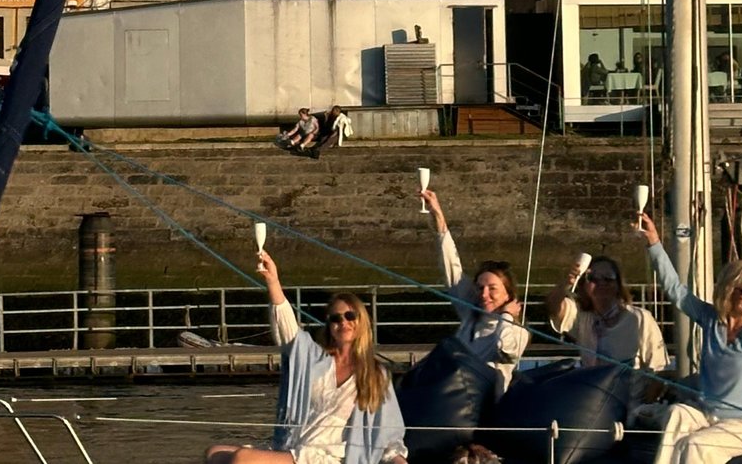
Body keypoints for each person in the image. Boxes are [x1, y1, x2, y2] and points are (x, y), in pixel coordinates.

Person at [205, 249, 407, 464]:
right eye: (336, 318)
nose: (343, 323)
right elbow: (289, 332)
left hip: (330, 455)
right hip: (295, 446)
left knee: (242, 458)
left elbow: (389, 433)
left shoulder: (376, 374)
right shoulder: (313, 359)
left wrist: (398, 461)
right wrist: (273, 282)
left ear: (361, 321)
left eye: (350, 316)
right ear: (329, 325)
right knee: (214, 453)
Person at [639, 213, 742, 464]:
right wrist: (654, 243)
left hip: (740, 426)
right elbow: (676, 290)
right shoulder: (711, 319)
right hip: (705, 414)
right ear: (729, 291)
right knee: (676, 413)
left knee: (694, 445)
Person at [419, 188, 529, 396]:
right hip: (453, 398)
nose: (484, 294)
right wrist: (437, 214)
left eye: (492, 289)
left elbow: (505, 349)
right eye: (480, 288)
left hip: (486, 407)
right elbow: (451, 268)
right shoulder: (470, 313)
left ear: (508, 294)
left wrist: (506, 315)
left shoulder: (519, 332)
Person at [545, 255, 669, 421]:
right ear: (584, 284)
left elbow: (659, 373)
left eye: (608, 278)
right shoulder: (582, 318)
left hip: (631, 410)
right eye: (593, 278)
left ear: (618, 284)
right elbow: (553, 306)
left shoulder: (640, 319)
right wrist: (567, 282)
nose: (601, 283)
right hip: (591, 407)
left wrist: (640, 413)